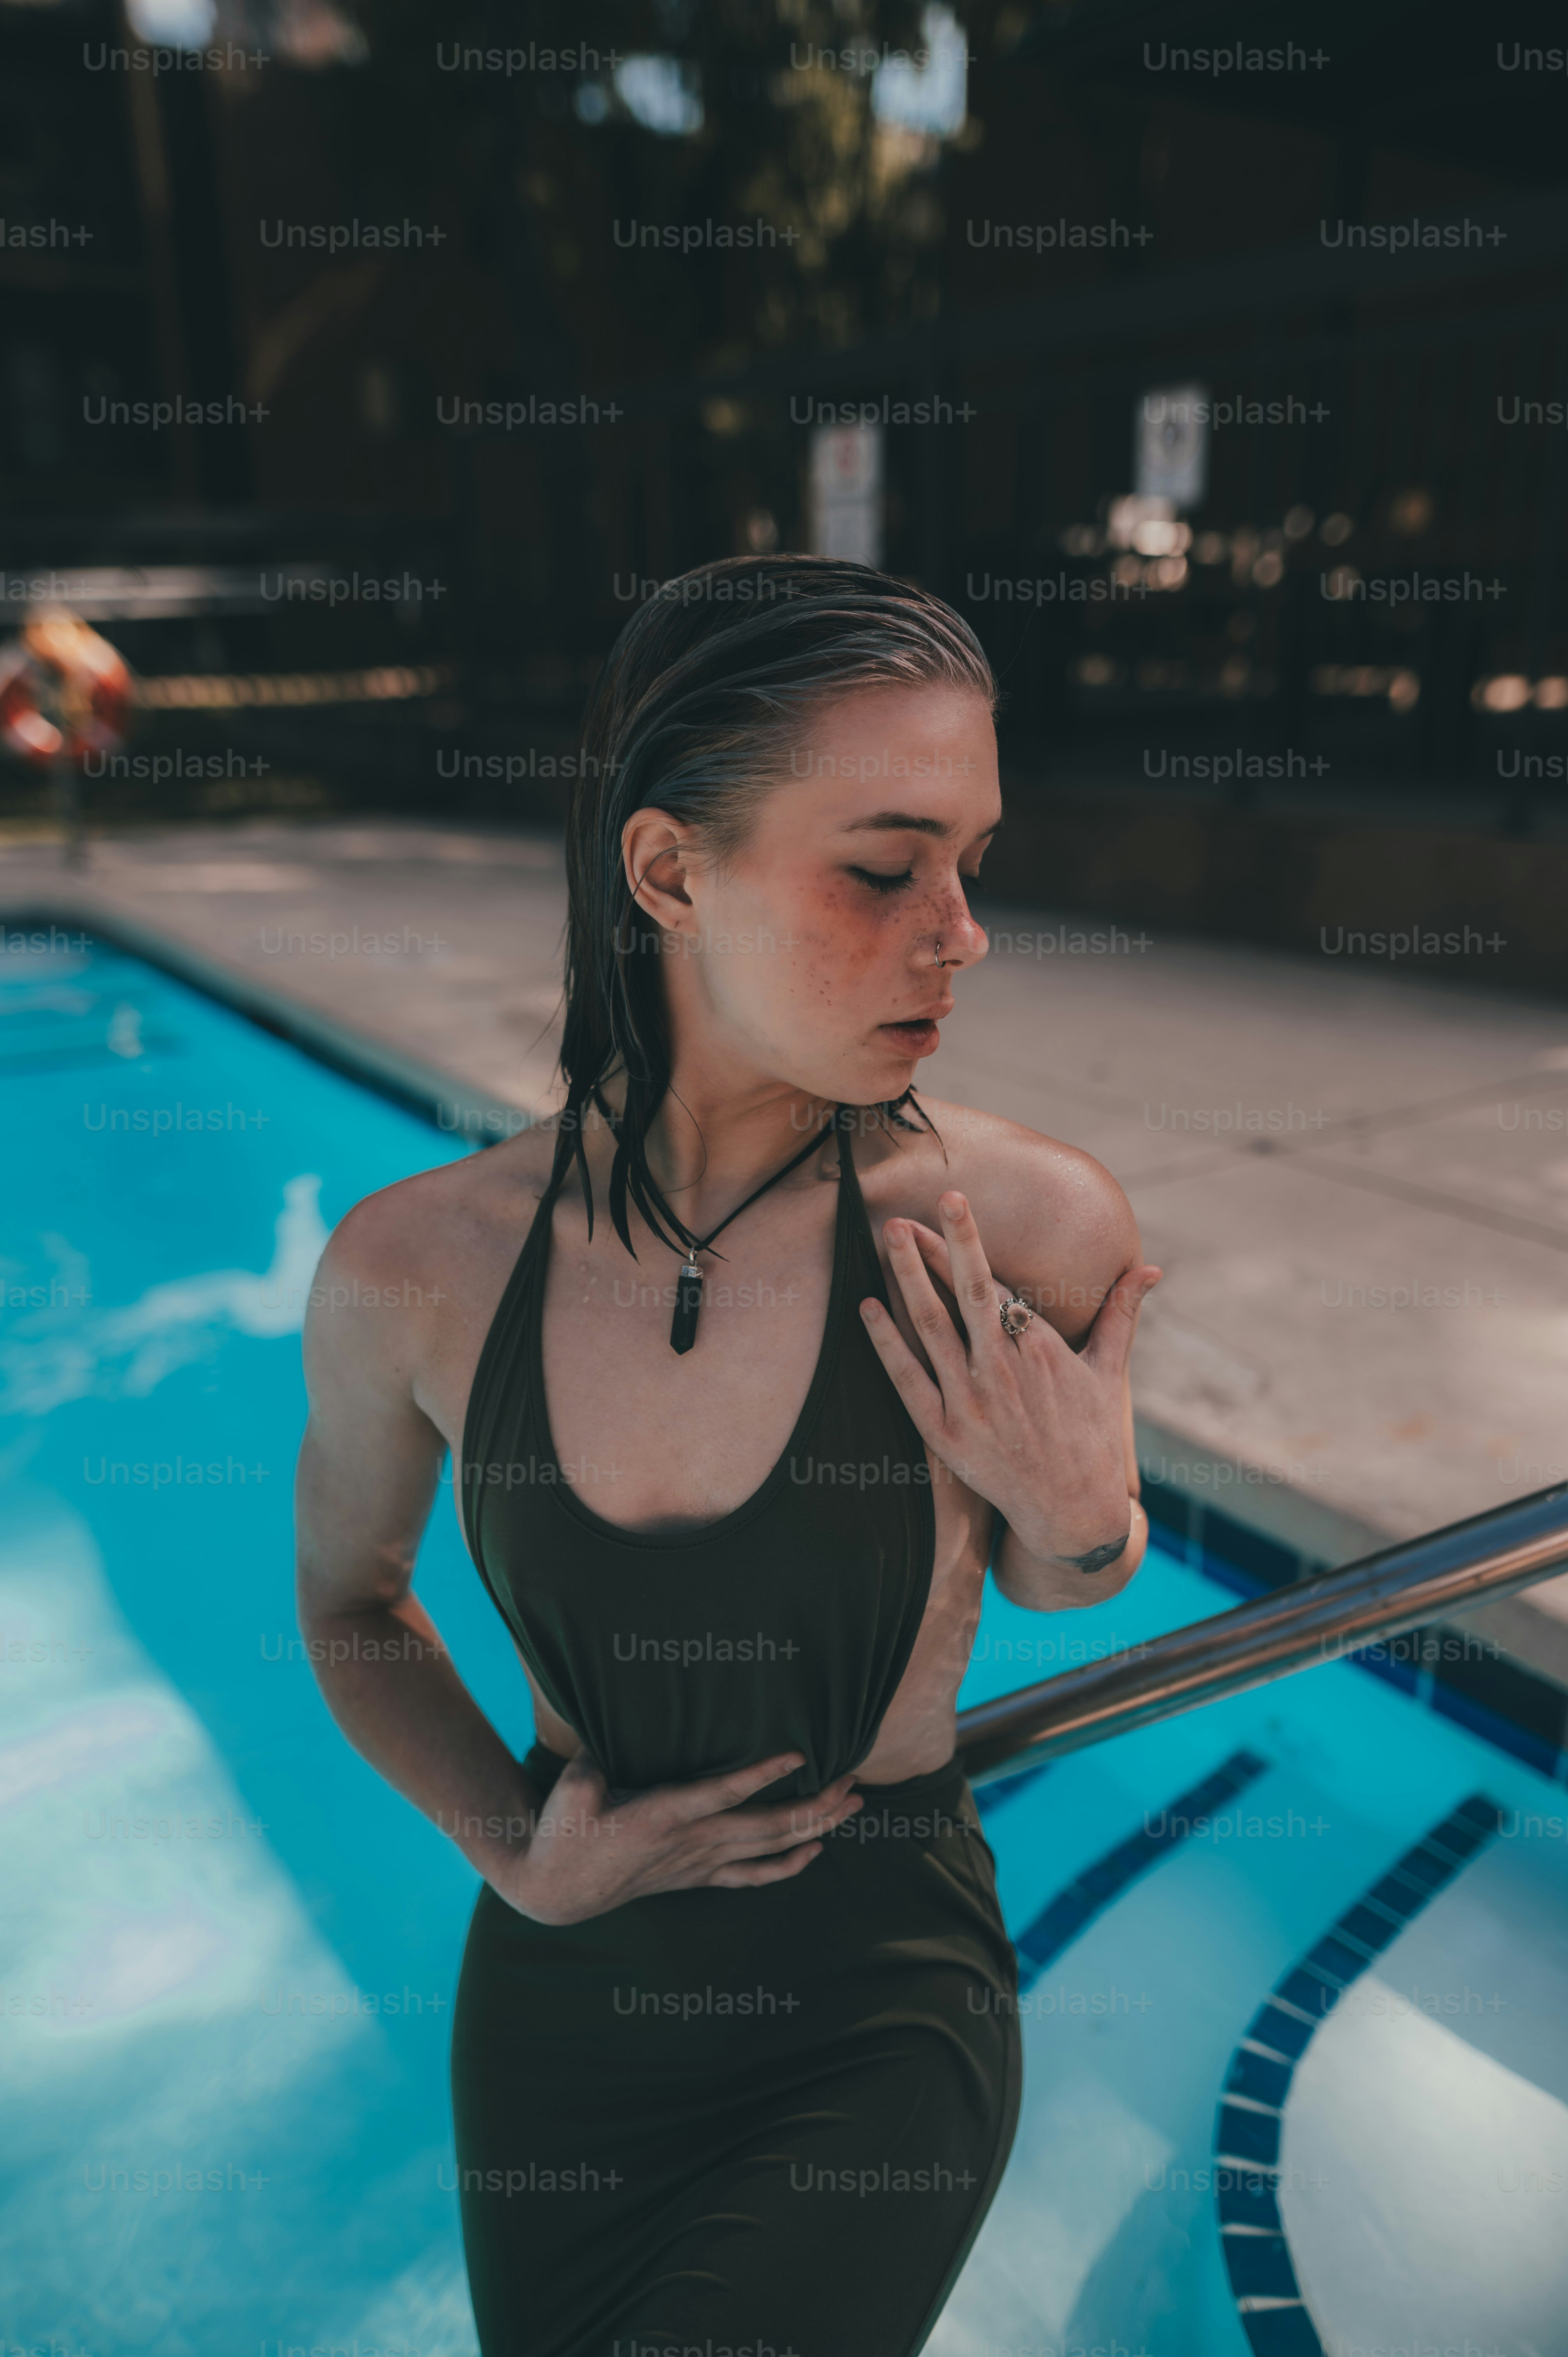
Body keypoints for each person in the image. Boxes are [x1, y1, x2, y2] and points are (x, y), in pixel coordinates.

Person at [294, 554, 1160, 2357]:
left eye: (970, 865)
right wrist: (513, 1852)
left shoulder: (1026, 1223)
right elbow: (349, 1597)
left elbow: (1057, 1577)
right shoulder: (417, 1267)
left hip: (875, 2008)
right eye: (883, 864)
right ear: (671, 870)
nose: (960, 928)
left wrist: (1087, 1519)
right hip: (560, 2017)